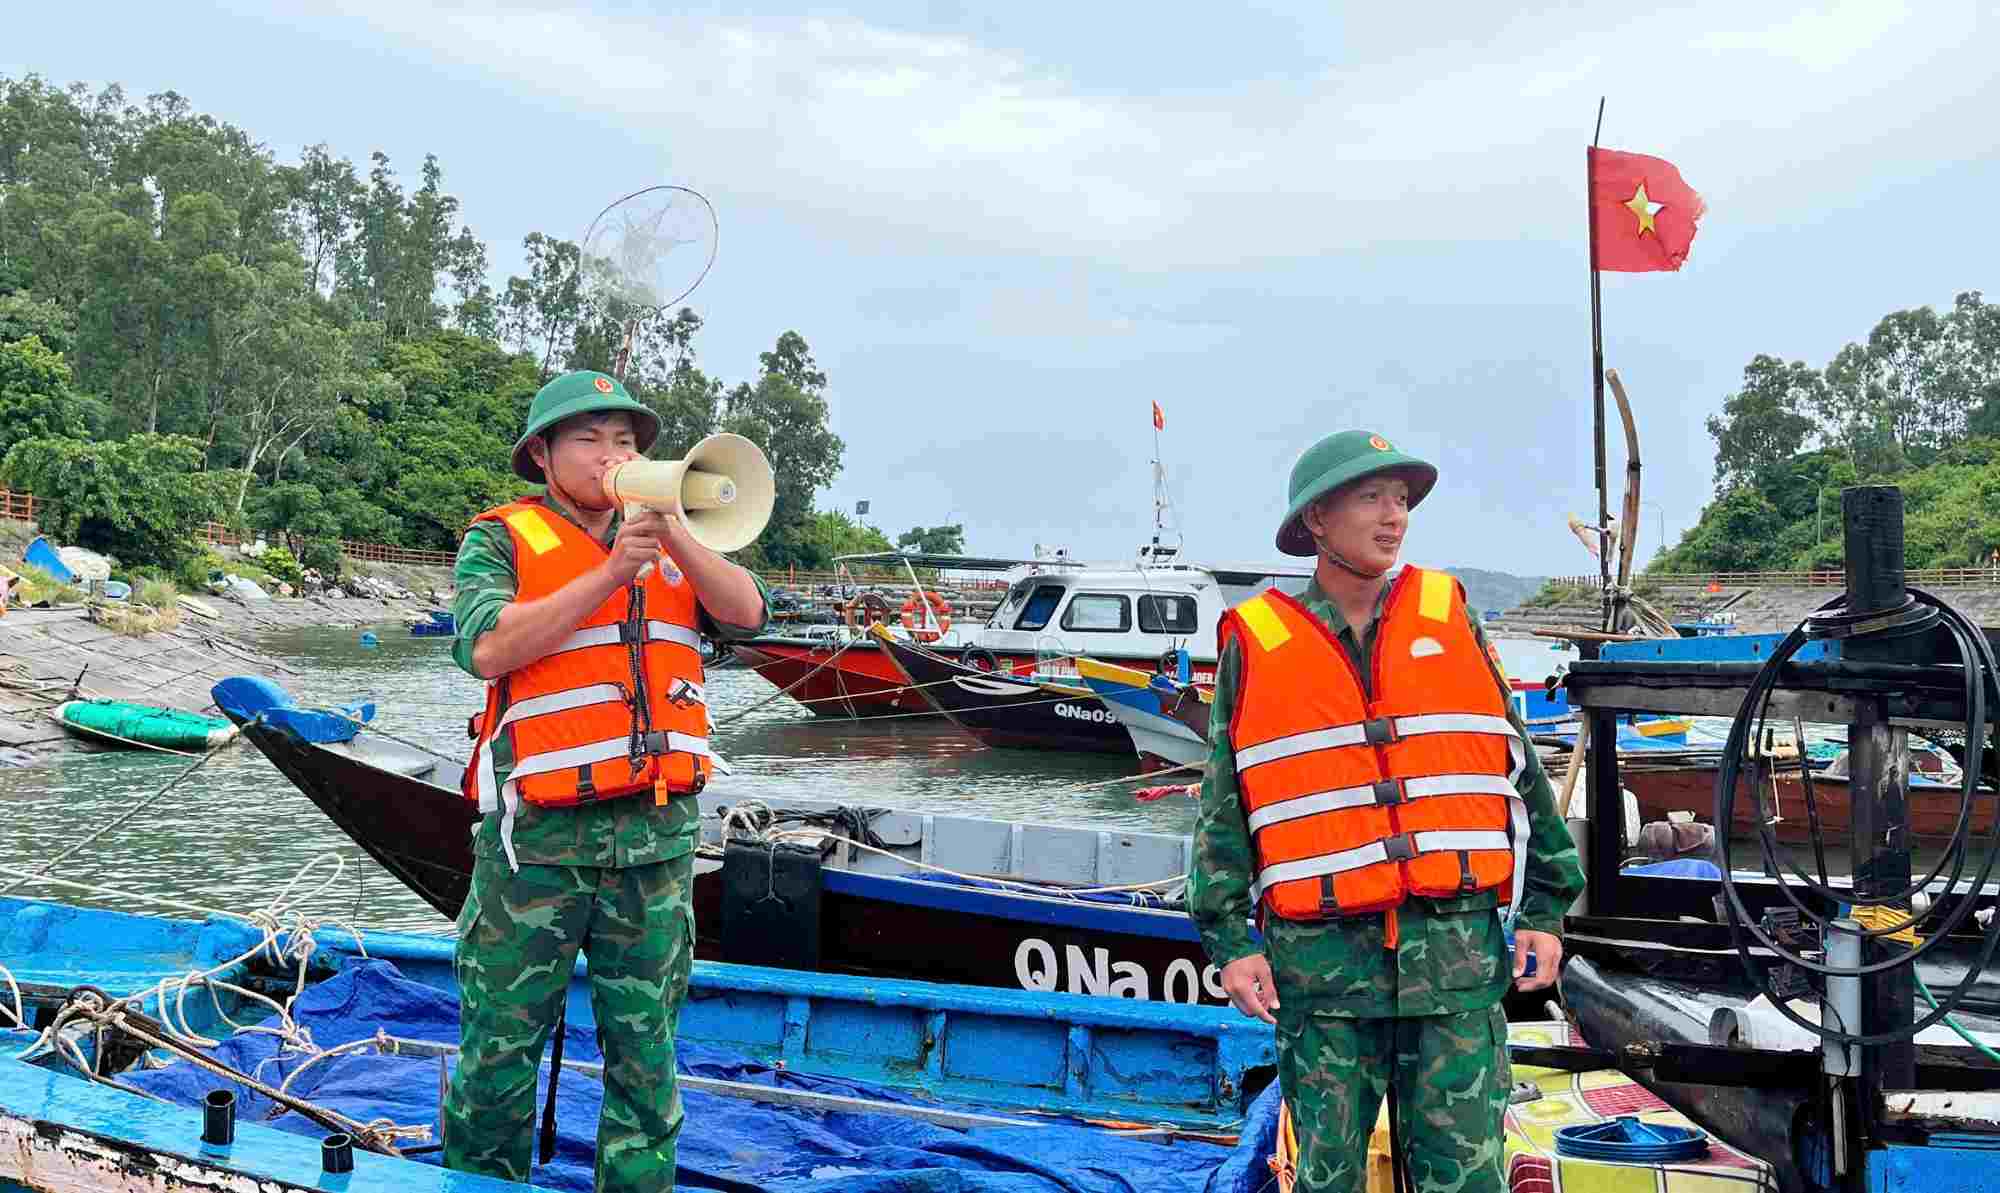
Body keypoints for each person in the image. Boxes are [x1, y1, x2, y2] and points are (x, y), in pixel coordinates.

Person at [1190, 430, 1585, 1193]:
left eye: (1402, 499)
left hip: (1457, 966)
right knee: (1327, 1181)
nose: (1394, 515)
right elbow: (1223, 806)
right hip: (1323, 976)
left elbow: (1514, 766)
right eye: (1371, 496)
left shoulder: (1449, 613)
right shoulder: (1258, 640)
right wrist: (1229, 940)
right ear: (1316, 519)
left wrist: (1545, 908)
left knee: (1470, 1182)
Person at [443, 369, 769, 1190]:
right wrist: (608, 573)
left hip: (656, 847)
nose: (610, 453)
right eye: (588, 438)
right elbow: (486, 646)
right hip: (537, 851)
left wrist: (675, 532)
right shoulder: (501, 540)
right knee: (497, 1058)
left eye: (625, 439)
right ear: (543, 453)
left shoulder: (669, 544)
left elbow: (748, 611)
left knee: (646, 1060)